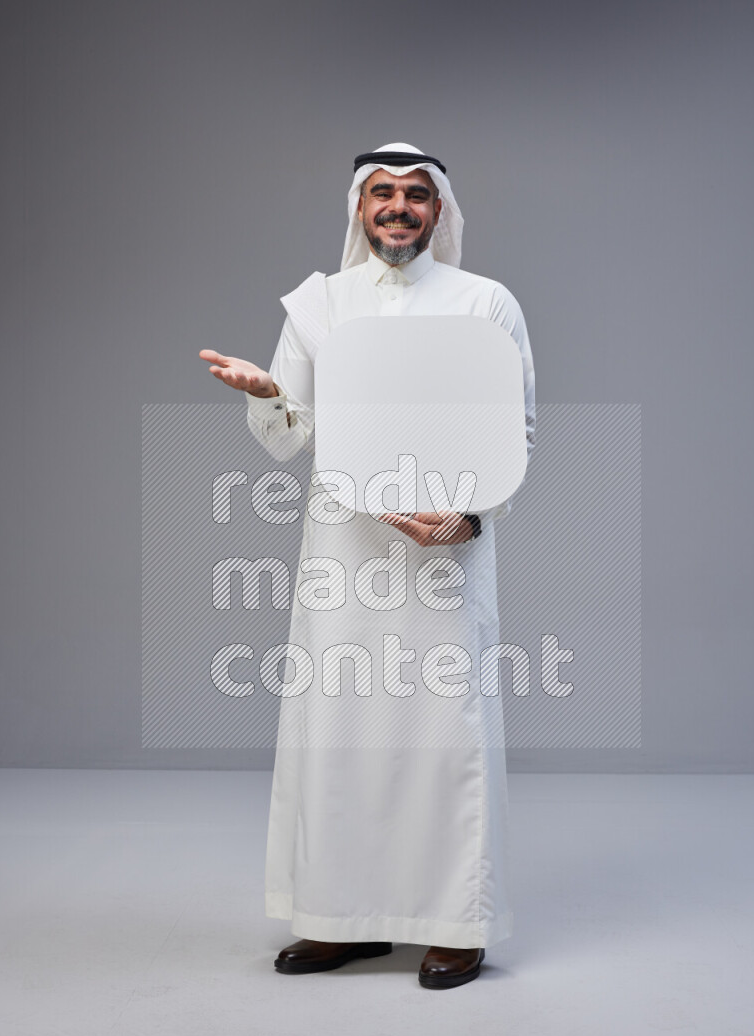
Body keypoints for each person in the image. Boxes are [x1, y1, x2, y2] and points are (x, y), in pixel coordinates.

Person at [200, 142, 535, 989]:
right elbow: (289, 439)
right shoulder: (321, 306)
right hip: (344, 556)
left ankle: (456, 922)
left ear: (439, 211)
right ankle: (339, 919)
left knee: (441, 737)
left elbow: (518, 432)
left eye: (415, 195)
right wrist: (265, 394)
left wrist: (466, 519)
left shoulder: (485, 303)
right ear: (357, 207)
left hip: (443, 559)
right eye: (381, 193)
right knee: (340, 735)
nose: (397, 207)